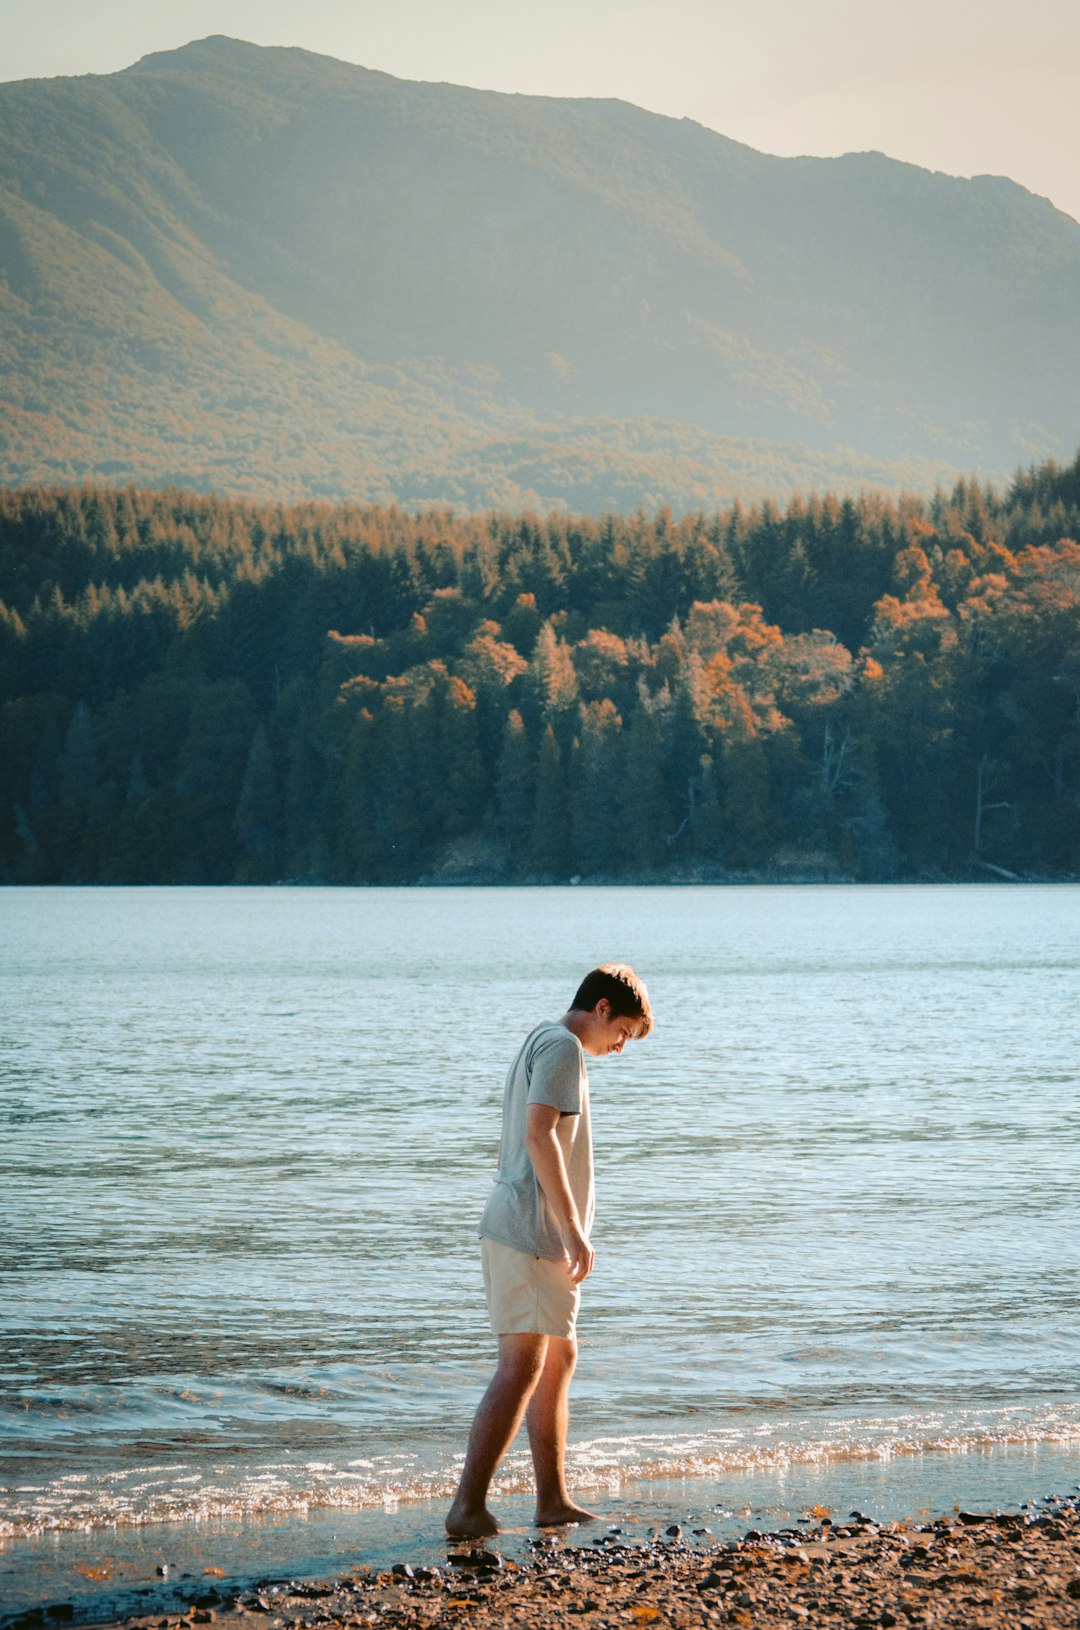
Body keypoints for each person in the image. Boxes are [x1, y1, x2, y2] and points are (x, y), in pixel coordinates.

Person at [445, 963, 653, 1538]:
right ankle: (467, 1509)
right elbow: (538, 1134)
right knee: (522, 1366)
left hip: (530, 1230)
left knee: (558, 1358)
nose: (621, 1048)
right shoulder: (563, 1048)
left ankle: (552, 1501)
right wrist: (572, 1230)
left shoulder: (543, 1036)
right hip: (532, 1234)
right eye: (625, 1033)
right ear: (604, 1008)